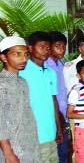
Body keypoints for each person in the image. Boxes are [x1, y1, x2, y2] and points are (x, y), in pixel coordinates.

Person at [19, 31, 62, 162]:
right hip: (33, 134)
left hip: (51, 132)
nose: (46, 51)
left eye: (48, 48)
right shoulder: (22, 72)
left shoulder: (50, 73)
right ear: (31, 48)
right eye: (42, 47)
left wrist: (59, 127)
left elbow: (54, 101)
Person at [0, 36, 41, 162]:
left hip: (30, 146)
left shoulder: (22, 82)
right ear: (4, 57)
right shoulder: (1, 85)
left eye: (26, 54)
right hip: (13, 150)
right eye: (17, 54)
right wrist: (8, 153)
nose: (24, 59)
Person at [45, 31, 69, 163]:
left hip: (63, 118)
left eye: (64, 46)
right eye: (57, 46)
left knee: (63, 154)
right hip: (52, 118)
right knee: (52, 155)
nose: (62, 49)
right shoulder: (45, 66)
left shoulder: (62, 65)